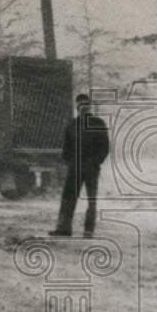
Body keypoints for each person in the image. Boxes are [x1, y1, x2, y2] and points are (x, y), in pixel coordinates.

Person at [49, 93, 110, 237]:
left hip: (91, 167)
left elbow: (105, 147)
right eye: (80, 104)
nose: (83, 107)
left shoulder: (98, 123)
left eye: (86, 104)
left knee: (91, 199)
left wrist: (95, 162)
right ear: (77, 107)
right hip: (75, 167)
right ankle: (63, 228)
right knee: (68, 197)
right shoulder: (72, 124)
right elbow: (66, 147)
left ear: (90, 106)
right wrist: (69, 161)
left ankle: (89, 230)